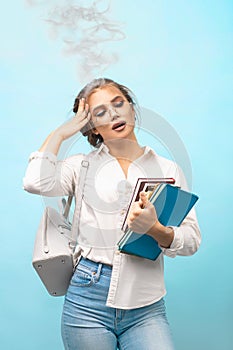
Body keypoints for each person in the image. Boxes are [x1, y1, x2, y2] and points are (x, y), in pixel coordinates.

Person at [23, 77, 201, 350]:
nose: (114, 114)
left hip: (146, 306)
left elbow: (191, 241)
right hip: (86, 301)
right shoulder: (80, 166)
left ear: (131, 108)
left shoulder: (169, 171)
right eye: (100, 112)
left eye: (119, 104)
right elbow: (35, 182)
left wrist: (155, 229)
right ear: (91, 126)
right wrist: (61, 133)